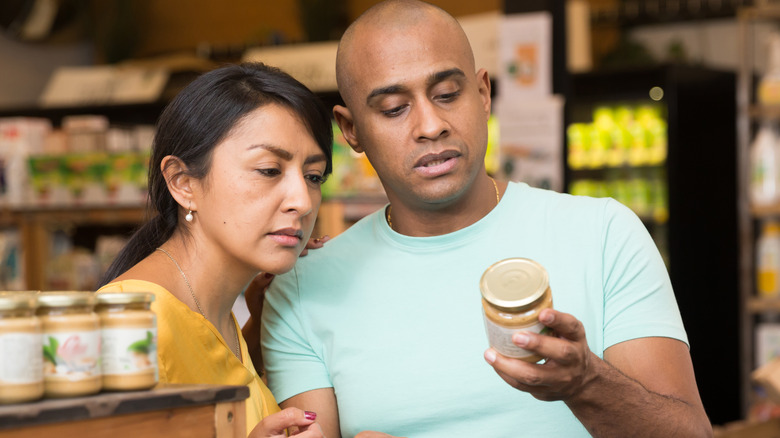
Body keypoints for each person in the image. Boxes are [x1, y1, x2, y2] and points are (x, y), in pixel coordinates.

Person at [258, 1, 713, 437]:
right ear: (351, 129)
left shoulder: (604, 233)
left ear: (483, 94)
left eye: (448, 94)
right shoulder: (303, 289)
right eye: (394, 108)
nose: (430, 125)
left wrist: (586, 383)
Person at [97, 62, 333, 438]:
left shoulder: (221, 315)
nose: (302, 201)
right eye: (270, 170)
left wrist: (260, 326)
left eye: (314, 176)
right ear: (183, 182)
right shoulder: (128, 324)